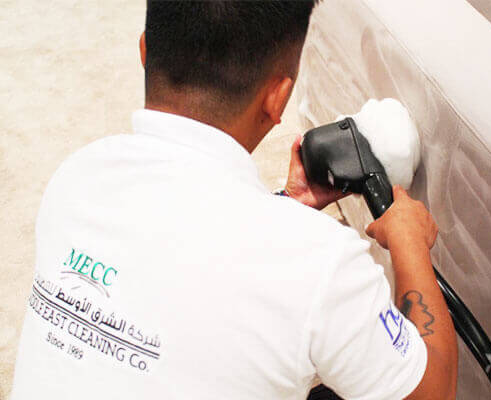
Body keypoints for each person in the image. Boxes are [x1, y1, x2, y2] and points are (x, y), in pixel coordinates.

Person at [10, 1, 457, 399]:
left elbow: (175, 276)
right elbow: (431, 393)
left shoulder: (77, 176)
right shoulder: (320, 262)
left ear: (144, 51)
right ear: (278, 98)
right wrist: (409, 241)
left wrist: (285, 206)